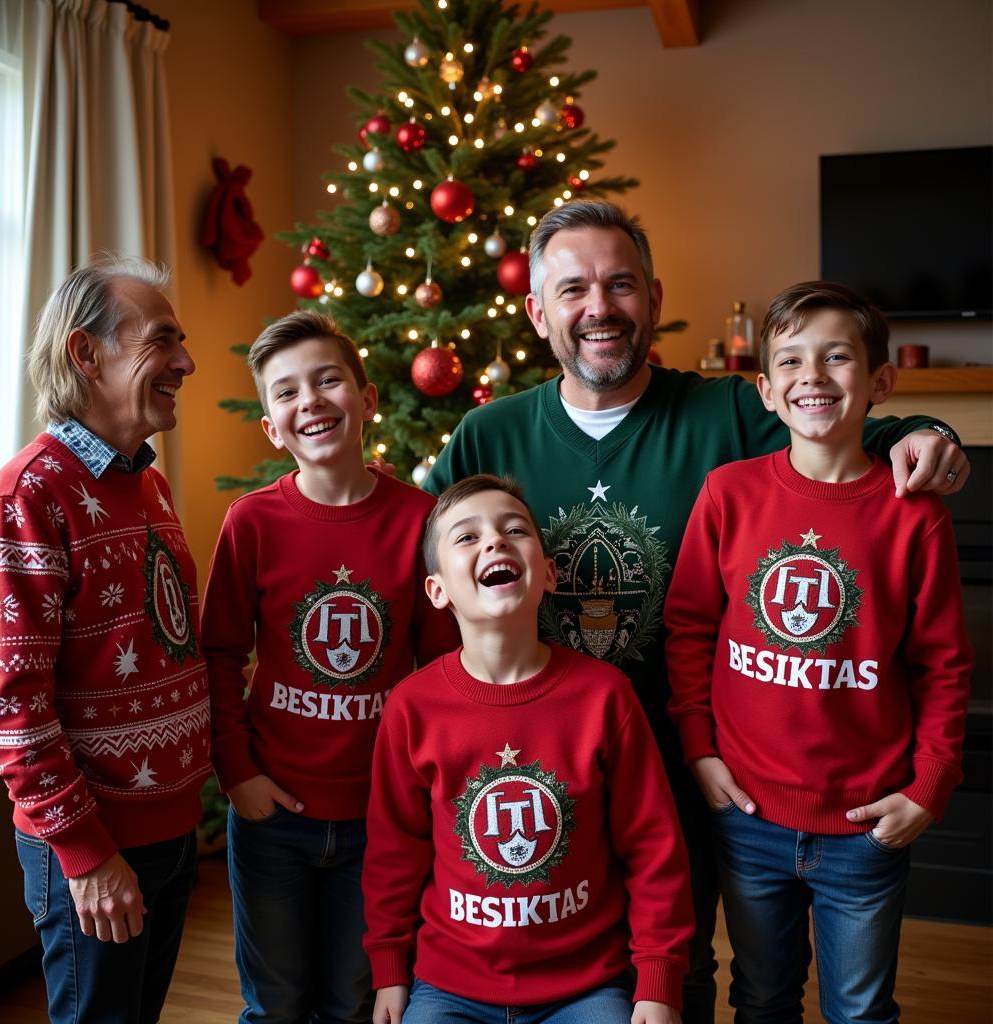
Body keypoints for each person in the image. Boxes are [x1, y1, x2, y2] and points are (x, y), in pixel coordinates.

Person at [422, 200, 971, 1021]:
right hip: (535, 756)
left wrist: (927, 432)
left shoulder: (728, 413)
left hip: (696, 762)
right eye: (573, 290)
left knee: (683, 979)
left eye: (621, 285)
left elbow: (838, 423)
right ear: (538, 313)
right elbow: (420, 568)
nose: (599, 308)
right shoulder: (485, 434)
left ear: (654, 297)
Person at [664, 281, 972, 1023]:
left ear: (880, 383)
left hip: (867, 823)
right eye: (793, 362)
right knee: (761, 997)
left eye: (837, 358)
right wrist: (700, 750)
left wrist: (930, 783)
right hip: (747, 812)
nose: (814, 377)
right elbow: (690, 628)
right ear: (766, 392)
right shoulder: (728, 493)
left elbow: (943, 663)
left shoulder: (914, 515)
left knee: (860, 1010)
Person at [0, 258, 210, 1023]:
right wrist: (87, 853)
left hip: (169, 830)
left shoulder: (147, 480)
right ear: (86, 353)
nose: (186, 362)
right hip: (98, 844)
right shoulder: (28, 495)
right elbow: (8, 712)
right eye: (162, 340)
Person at [201, 310, 459, 1024]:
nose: (309, 401)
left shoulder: (420, 521)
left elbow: (443, 669)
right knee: (276, 1003)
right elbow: (219, 654)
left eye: (326, 381)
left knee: (354, 1001)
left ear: (367, 398)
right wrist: (237, 775)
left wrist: (426, 795)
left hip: (380, 818)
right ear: (273, 429)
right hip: (272, 813)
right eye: (285, 393)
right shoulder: (251, 523)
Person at [364, 474, 694, 1024]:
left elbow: (653, 846)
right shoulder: (411, 706)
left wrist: (658, 981)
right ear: (437, 589)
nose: (494, 541)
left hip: (584, 986)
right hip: (450, 987)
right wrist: (391, 973)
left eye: (514, 530)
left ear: (547, 573)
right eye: (466, 538)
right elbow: (393, 855)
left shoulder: (604, 696)